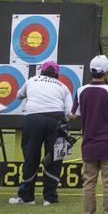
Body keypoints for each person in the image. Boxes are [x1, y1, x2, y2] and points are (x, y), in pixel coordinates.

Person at [10, 60, 73, 206]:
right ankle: (50, 198)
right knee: (54, 158)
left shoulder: (32, 80)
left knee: (30, 157)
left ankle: (27, 197)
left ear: (42, 71)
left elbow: (19, 95)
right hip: (56, 120)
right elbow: (69, 112)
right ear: (57, 74)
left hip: (33, 119)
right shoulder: (63, 87)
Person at [74, 54, 108, 214]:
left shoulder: (81, 91)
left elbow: (74, 114)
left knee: (88, 185)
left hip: (88, 145)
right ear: (105, 72)